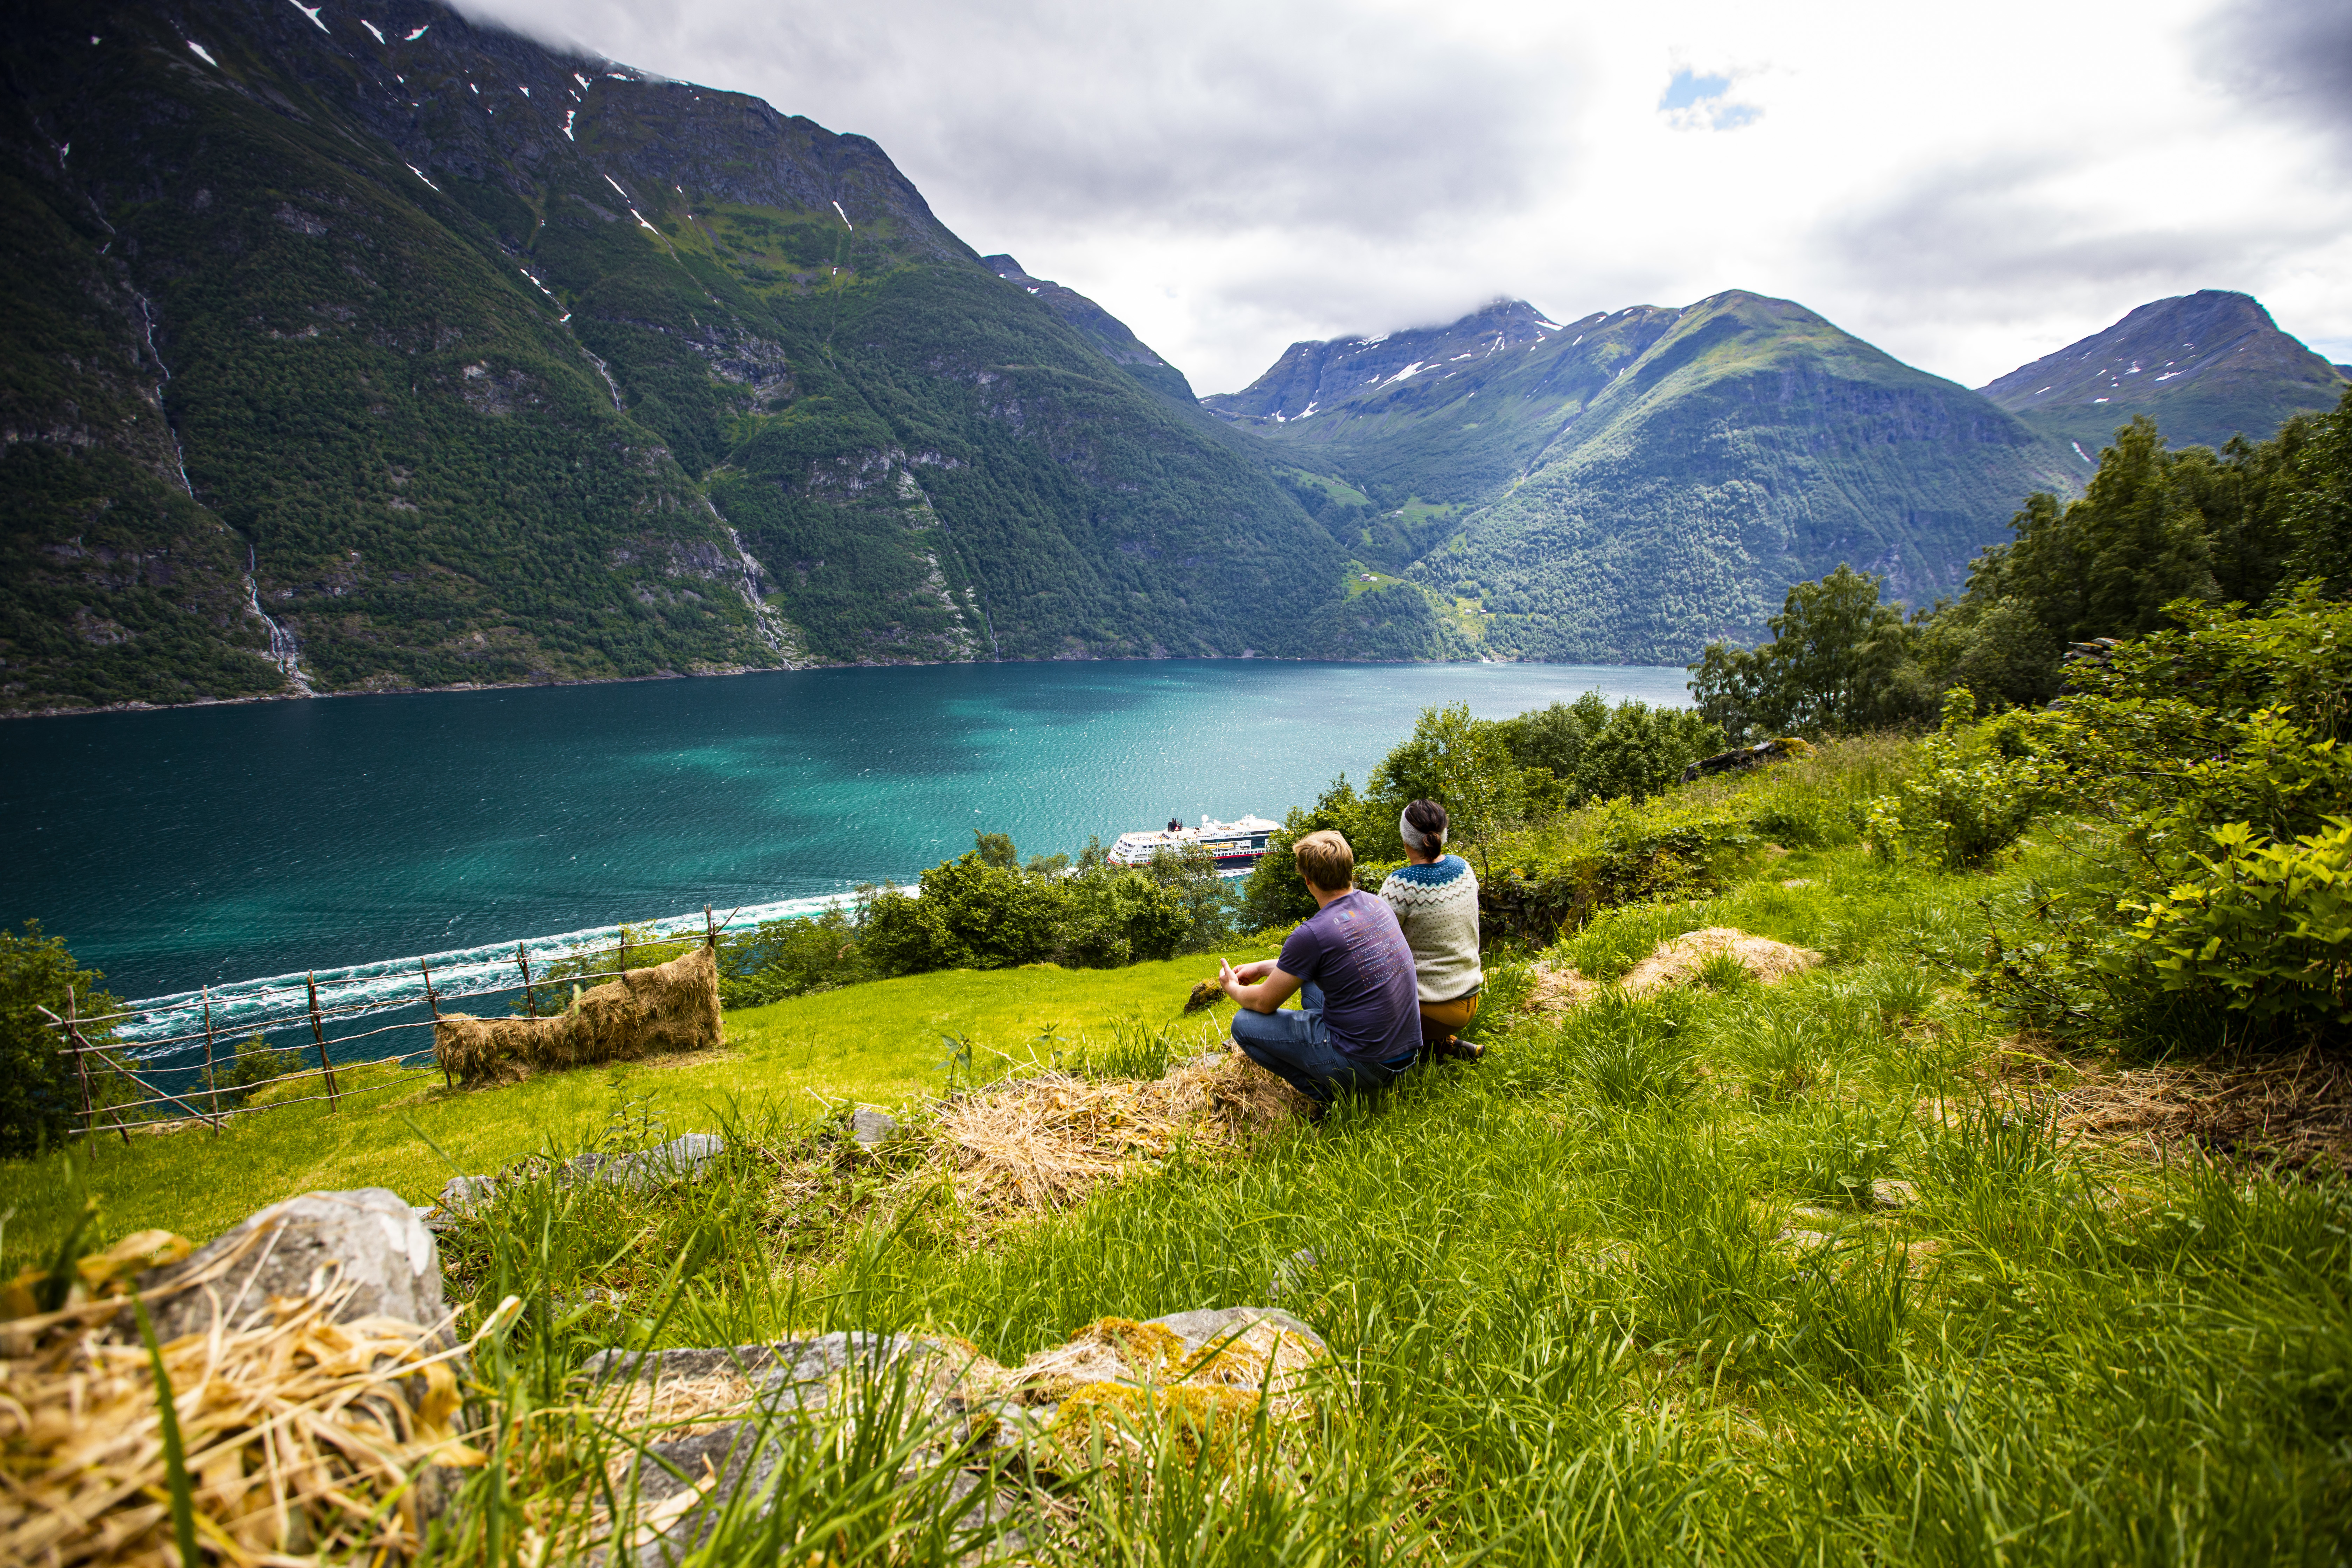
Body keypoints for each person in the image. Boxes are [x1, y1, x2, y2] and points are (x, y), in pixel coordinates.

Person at [1219, 828, 1421, 1115]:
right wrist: (1265, 967)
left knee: (1244, 1024)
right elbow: (1329, 962)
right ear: (1350, 869)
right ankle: (1332, 1065)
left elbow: (1264, 1003)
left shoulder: (1312, 934)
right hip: (1405, 1051)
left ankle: (1327, 1097)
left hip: (1369, 1063)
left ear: (1308, 881)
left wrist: (1233, 988)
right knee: (1311, 984)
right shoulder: (1376, 903)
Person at [1379, 799, 1485, 1061]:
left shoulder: (1401, 885)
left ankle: (1397, 1061)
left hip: (1434, 1008)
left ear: (1406, 839)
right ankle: (1444, 1044)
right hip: (1470, 996)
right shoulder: (1463, 868)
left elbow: (1375, 945)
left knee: (1350, 999)